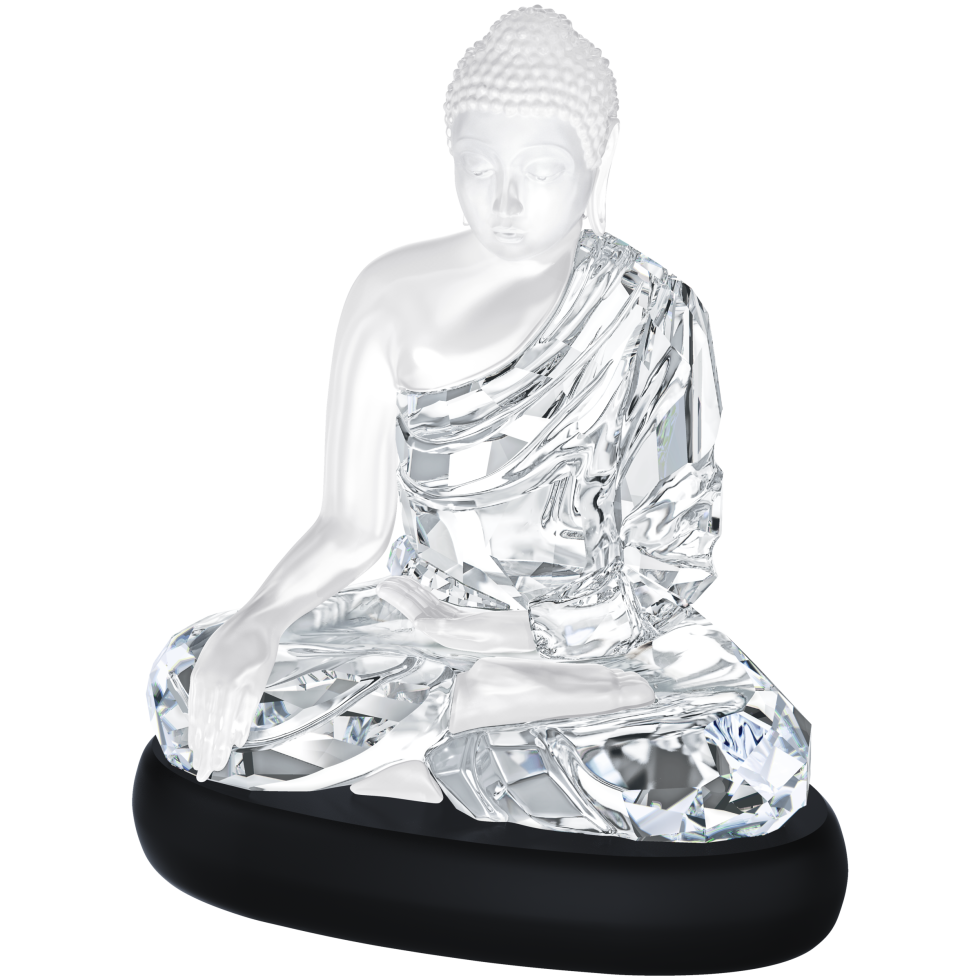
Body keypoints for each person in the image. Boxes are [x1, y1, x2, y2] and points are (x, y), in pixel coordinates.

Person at [147, 6, 809, 841]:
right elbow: (350, 526)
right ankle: (474, 729)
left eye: (542, 170)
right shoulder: (390, 293)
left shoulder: (654, 312)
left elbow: (667, 559)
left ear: (601, 156)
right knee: (189, 678)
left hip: (593, 640)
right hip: (425, 618)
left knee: (757, 759)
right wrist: (258, 623)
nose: (505, 201)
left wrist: (531, 636)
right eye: (479, 167)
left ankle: (428, 737)